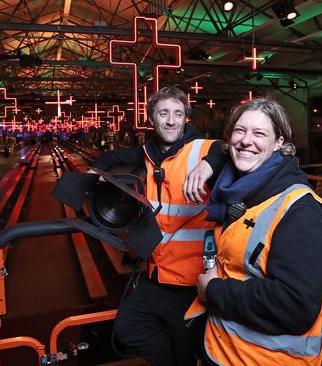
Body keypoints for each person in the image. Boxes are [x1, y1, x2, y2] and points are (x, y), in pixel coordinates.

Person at [184, 97, 322, 365]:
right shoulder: (239, 188)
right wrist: (209, 161)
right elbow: (223, 151)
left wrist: (213, 290)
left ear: (279, 144)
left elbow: (294, 306)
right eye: (240, 130)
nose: (247, 140)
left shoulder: (300, 212)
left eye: (260, 133)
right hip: (222, 350)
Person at [88, 86, 226, 365]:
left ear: (187, 117)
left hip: (193, 282)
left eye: (178, 113)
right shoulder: (148, 153)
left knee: (189, 349)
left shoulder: (202, 149)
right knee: (128, 328)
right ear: (152, 118)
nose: (171, 120)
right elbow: (112, 159)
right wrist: (94, 173)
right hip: (158, 275)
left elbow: (228, 149)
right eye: (164, 113)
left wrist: (209, 165)